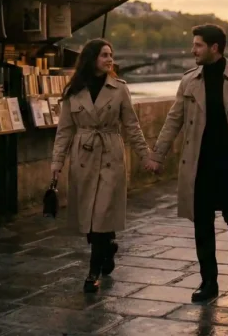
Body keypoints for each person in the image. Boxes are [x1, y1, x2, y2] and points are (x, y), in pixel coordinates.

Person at [145, 24, 228, 302]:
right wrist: (157, 154)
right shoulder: (189, 81)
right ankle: (209, 282)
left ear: (214, 48)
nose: (192, 50)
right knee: (201, 224)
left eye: (198, 45)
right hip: (200, 164)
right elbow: (174, 120)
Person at [51, 39, 150, 293]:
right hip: (83, 156)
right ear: (91, 58)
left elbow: (132, 126)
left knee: (101, 214)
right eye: (104, 55)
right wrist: (57, 163)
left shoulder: (119, 89)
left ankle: (92, 272)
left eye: (111, 54)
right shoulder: (73, 91)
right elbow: (64, 131)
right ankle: (109, 246)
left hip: (110, 154)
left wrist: (145, 156)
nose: (110, 59)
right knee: (90, 218)